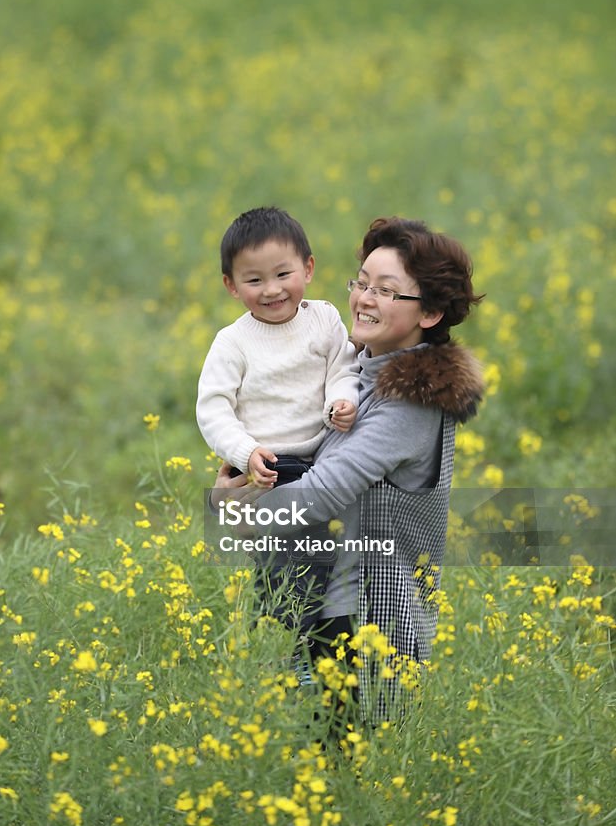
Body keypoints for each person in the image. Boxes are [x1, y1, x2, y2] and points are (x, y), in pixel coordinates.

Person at [214, 215, 485, 720]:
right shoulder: (354, 377)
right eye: (361, 282)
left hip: (370, 631)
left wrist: (232, 511)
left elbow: (318, 496)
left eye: (385, 290)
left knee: (349, 773)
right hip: (324, 614)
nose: (362, 298)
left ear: (428, 313)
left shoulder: (410, 405)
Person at [197, 206, 360, 631]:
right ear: (231, 286)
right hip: (267, 464)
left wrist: (340, 402)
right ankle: (291, 646)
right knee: (289, 561)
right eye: (254, 280)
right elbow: (213, 409)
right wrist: (245, 452)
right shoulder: (233, 342)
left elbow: (343, 369)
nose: (271, 290)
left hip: (322, 455)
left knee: (322, 561)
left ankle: (303, 647)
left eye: (282, 274)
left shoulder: (324, 318)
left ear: (308, 268)